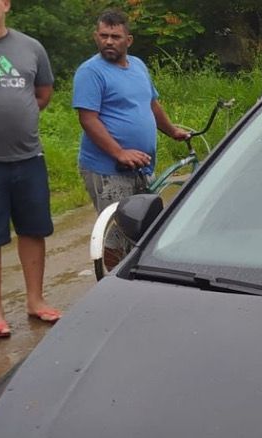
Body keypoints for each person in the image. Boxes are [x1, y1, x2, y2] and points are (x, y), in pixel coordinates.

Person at [72, 9, 190, 269]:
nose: (109, 41)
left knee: (142, 227)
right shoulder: (90, 72)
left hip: (140, 166)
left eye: (115, 36)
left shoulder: (138, 66)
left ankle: (137, 275)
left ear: (129, 40)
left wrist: (171, 131)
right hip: (108, 169)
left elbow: (151, 104)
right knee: (119, 232)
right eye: (103, 36)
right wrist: (119, 152)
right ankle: (116, 284)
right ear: (96, 36)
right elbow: (88, 119)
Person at [0, 0, 59, 338]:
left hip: (29, 157)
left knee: (33, 230)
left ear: (5, 4)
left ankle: (36, 300)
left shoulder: (31, 47)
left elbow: (43, 94)